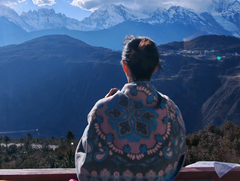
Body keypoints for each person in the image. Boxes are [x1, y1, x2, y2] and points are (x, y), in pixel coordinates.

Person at [75, 36, 186, 181]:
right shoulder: (172, 110)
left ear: (124, 66)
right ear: (155, 67)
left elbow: (85, 167)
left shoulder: (102, 109)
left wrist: (101, 108)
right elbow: (177, 161)